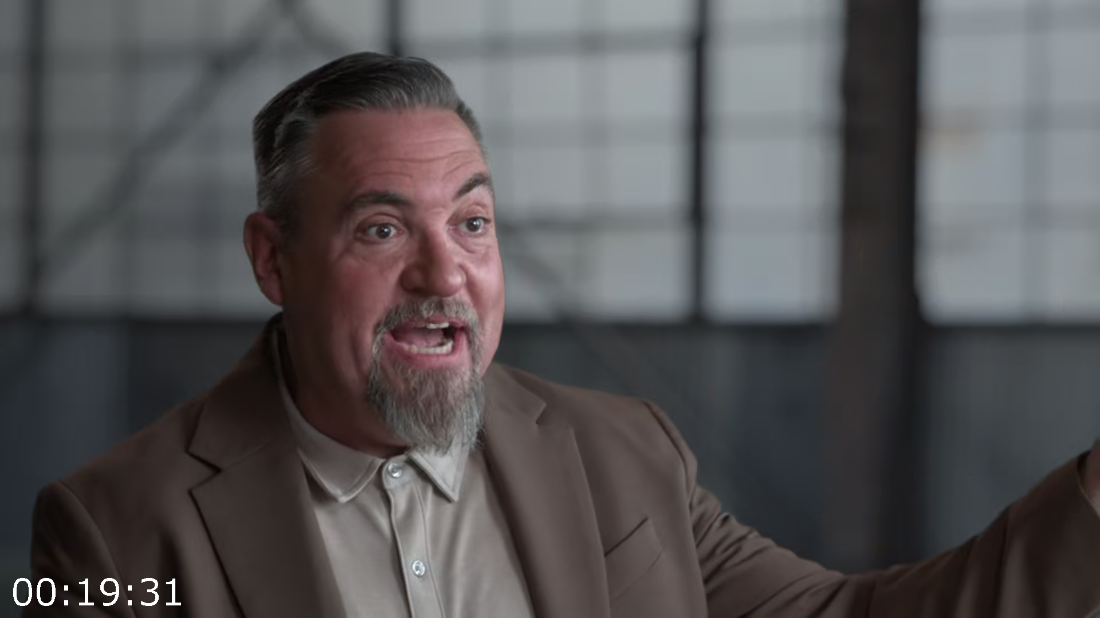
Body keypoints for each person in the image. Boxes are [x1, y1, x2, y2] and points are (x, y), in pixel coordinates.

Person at [24, 52, 1100, 618]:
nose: (443, 275)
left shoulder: (620, 455)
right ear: (273, 261)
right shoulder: (115, 535)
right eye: (382, 229)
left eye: (473, 224)